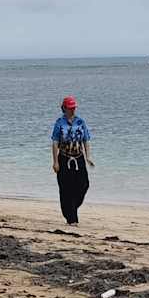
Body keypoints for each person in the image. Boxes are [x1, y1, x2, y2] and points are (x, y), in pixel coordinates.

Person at [50, 96, 91, 225]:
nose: (73, 110)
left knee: (84, 185)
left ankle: (71, 208)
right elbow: (55, 142)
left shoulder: (80, 122)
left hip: (79, 158)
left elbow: (86, 139)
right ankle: (72, 219)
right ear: (64, 108)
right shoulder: (59, 123)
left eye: (74, 108)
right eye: (70, 108)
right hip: (64, 158)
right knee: (66, 189)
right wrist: (55, 162)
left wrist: (88, 157)